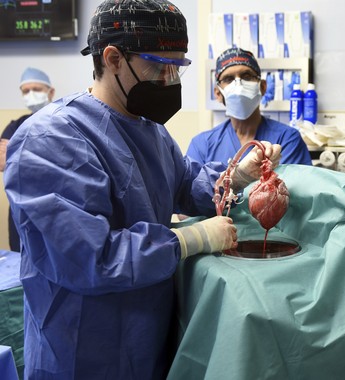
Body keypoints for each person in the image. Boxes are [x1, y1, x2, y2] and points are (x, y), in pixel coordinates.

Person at [3, 1, 281, 379]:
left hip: (146, 342)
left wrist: (236, 177)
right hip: (81, 352)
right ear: (114, 58)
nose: (170, 79)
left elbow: (186, 183)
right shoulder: (51, 138)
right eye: (159, 65)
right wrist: (189, 239)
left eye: (178, 66)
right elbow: (88, 257)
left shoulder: (150, 130)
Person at [185, 47, 312, 166]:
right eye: (229, 79)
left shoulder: (287, 139)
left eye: (246, 76)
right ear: (218, 93)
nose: (238, 84)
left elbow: (292, 187)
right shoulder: (202, 145)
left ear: (262, 87)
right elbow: (194, 188)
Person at [0, 67, 55, 252]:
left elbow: (67, 163)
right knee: (21, 262)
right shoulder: (16, 125)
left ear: (51, 92)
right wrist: (42, 156)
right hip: (20, 210)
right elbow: (2, 162)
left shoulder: (63, 121)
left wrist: (16, 155)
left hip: (55, 208)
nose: (31, 94)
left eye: (36, 89)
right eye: (26, 91)